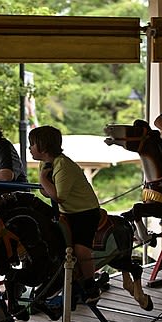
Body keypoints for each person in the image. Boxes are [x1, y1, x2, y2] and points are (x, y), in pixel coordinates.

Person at [28, 125, 101, 304]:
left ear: (43, 147)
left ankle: (91, 284)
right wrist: (46, 185)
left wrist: (43, 180)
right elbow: (49, 193)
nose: (29, 148)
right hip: (66, 212)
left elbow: (59, 196)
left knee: (81, 249)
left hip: (84, 212)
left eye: (32, 144)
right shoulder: (45, 164)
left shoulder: (62, 165)